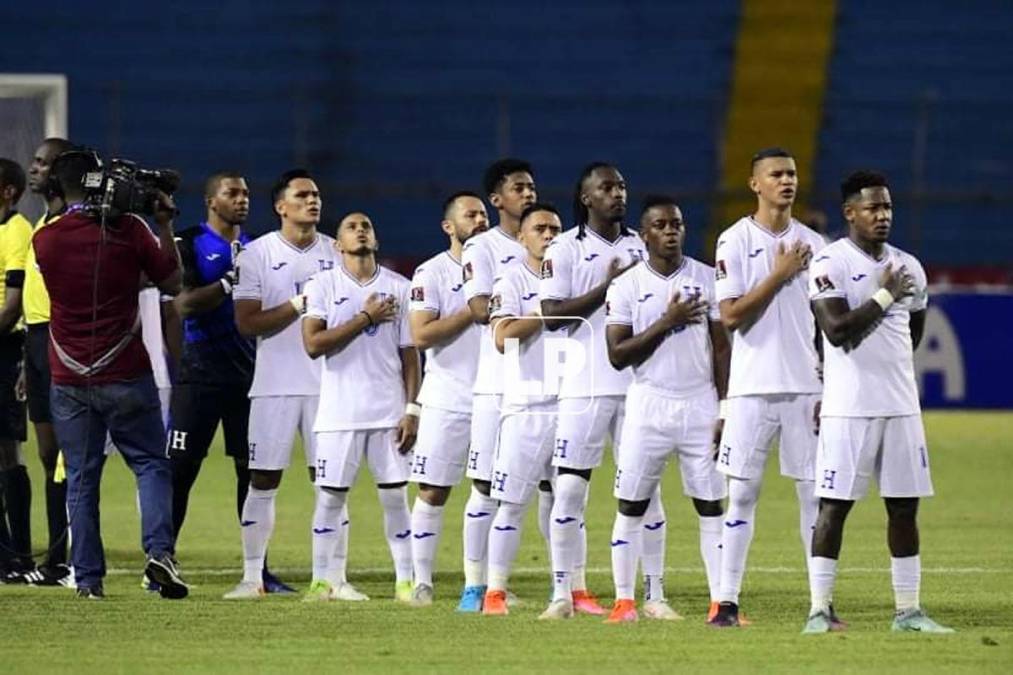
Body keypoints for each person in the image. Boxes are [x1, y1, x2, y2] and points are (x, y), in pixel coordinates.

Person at [33, 147, 187, 599]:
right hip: (125, 372)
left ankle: (88, 580)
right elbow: (173, 282)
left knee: (81, 477)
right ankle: (160, 553)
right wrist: (161, 221)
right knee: (150, 464)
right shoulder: (131, 230)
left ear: (59, 189)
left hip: (69, 376)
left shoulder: (45, 239)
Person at [803, 171, 952, 634]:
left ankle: (908, 611)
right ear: (850, 213)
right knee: (834, 507)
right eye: (872, 208)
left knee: (904, 508)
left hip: (901, 407)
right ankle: (819, 610)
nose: (882, 215)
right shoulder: (830, 263)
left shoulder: (910, 264)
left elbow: (914, 333)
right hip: (849, 407)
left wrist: (892, 365)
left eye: (887, 207)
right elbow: (836, 330)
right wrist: (886, 293)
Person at [224, 169, 360, 600]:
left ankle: (334, 580)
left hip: (329, 389)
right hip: (275, 386)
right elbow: (247, 324)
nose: (313, 201)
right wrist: (300, 303)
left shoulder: (338, 254)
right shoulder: (256, 255)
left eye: (316, 194)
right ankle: (252, 578)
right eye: (302, 195)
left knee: (331, 484)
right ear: (281, 206)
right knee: (262, 480)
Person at [709, 147, 828, 627]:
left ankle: (820, 604)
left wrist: (830, 386)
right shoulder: (734, 240)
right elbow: (731, 315)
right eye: (777, 174)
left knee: (814, 496)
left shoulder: (816, 244)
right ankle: (727, 603)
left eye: (793, 174)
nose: (787, 181)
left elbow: (827, 323)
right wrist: (779, 276)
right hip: (751, 389)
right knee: (741, 495)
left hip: (805, 388)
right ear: (755, 183)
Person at [600, 196, 730, 623]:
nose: (671, 231)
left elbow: (722, 348)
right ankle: (624, 602)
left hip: (700, 404)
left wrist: (726, 407)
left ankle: (720, 603)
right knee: (631, 505)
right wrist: (667, 320)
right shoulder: (626, 286)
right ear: (645, 234)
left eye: (677, 223)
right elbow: (618, 355)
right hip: (648, 404)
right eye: (661, 225)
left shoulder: (708, 278)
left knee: (712, 506)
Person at [167, 172, 291, 593]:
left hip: (248, 377)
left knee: (252, 475)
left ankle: (258, 571)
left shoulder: (260, 249)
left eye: (246, 192)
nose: (242, 199)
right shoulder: (188, 243)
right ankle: (161, 560)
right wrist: (226, 281)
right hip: (198, 375)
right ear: (210, 199)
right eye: (232, 192)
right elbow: (183, 306)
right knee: (179, 472)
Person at [539, 162, 648, 617]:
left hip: (638, 386)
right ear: (586, 198)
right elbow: (550, 315)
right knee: (568, 491)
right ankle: (563, 593)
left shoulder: (642, 245)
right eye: (606, 187)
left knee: (644, 493)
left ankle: (647, 594)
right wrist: (608, 287)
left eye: (621, 185)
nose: (617, 193)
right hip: (582, 383)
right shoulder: (562, 248)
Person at [301, 211, 419, 603]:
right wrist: (365, 317)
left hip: (388, 412)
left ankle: (406, 581)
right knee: (331, 498)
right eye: (351, 227)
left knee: (394, 497)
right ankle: (323, 582)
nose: (361, 230)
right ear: (337, 245)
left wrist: (412, 409)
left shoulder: (400, 288)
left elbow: (410, 356)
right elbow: (314, 344)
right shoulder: (321, 285)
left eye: (367, 225)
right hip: (338, 413)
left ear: (376, 240)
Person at [457, 158, 535, 612]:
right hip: (493, 383)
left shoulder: (551, 244)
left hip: (539, 386)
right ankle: (472, 585)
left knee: (544, 486)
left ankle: (513, 584)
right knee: (485, 486)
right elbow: (482, 308)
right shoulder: (482, 248)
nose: (527, 194)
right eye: (519, 187)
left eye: (531, 187)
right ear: (496, 199)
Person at [406, 192, 487, 605]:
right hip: (448, 395)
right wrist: (469, 312)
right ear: (448, 227)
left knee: (490, 490)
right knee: (433, 490)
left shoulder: (501, 266)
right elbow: (420, 335)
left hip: (495, 397)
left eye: (483, 214)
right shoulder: (432, 272)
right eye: (470, 215)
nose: (479, 220)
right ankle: (422, 582)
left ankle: (482, 585)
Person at [481, 202, 562, 616]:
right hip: (526, 405)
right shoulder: (511, 278)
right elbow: (502, 336)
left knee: (566, 501)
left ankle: (566, 590)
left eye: (555, 229)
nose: (549, 236)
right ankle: (494, 592)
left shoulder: (572, 276)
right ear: (522, 237)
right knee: (512, 502)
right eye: (541, 229)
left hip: (570, 405)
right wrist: (543, 311)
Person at [9, 138, 74, 587]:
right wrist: (23, 363)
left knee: (70, 456)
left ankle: (67, 559)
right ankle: (53, 560)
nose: (34, 170)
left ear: (62, 172)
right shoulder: (40, 224)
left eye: (43, 163)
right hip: (33, 342)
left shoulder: (73, 225)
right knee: (48, 453)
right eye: (33, 161)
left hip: (61, 337)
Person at [0, 158, 33, 581]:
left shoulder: (18, 232)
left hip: (6, 349)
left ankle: (19, 553)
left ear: (8, 190)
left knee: (8, 450)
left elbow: (12, 305)